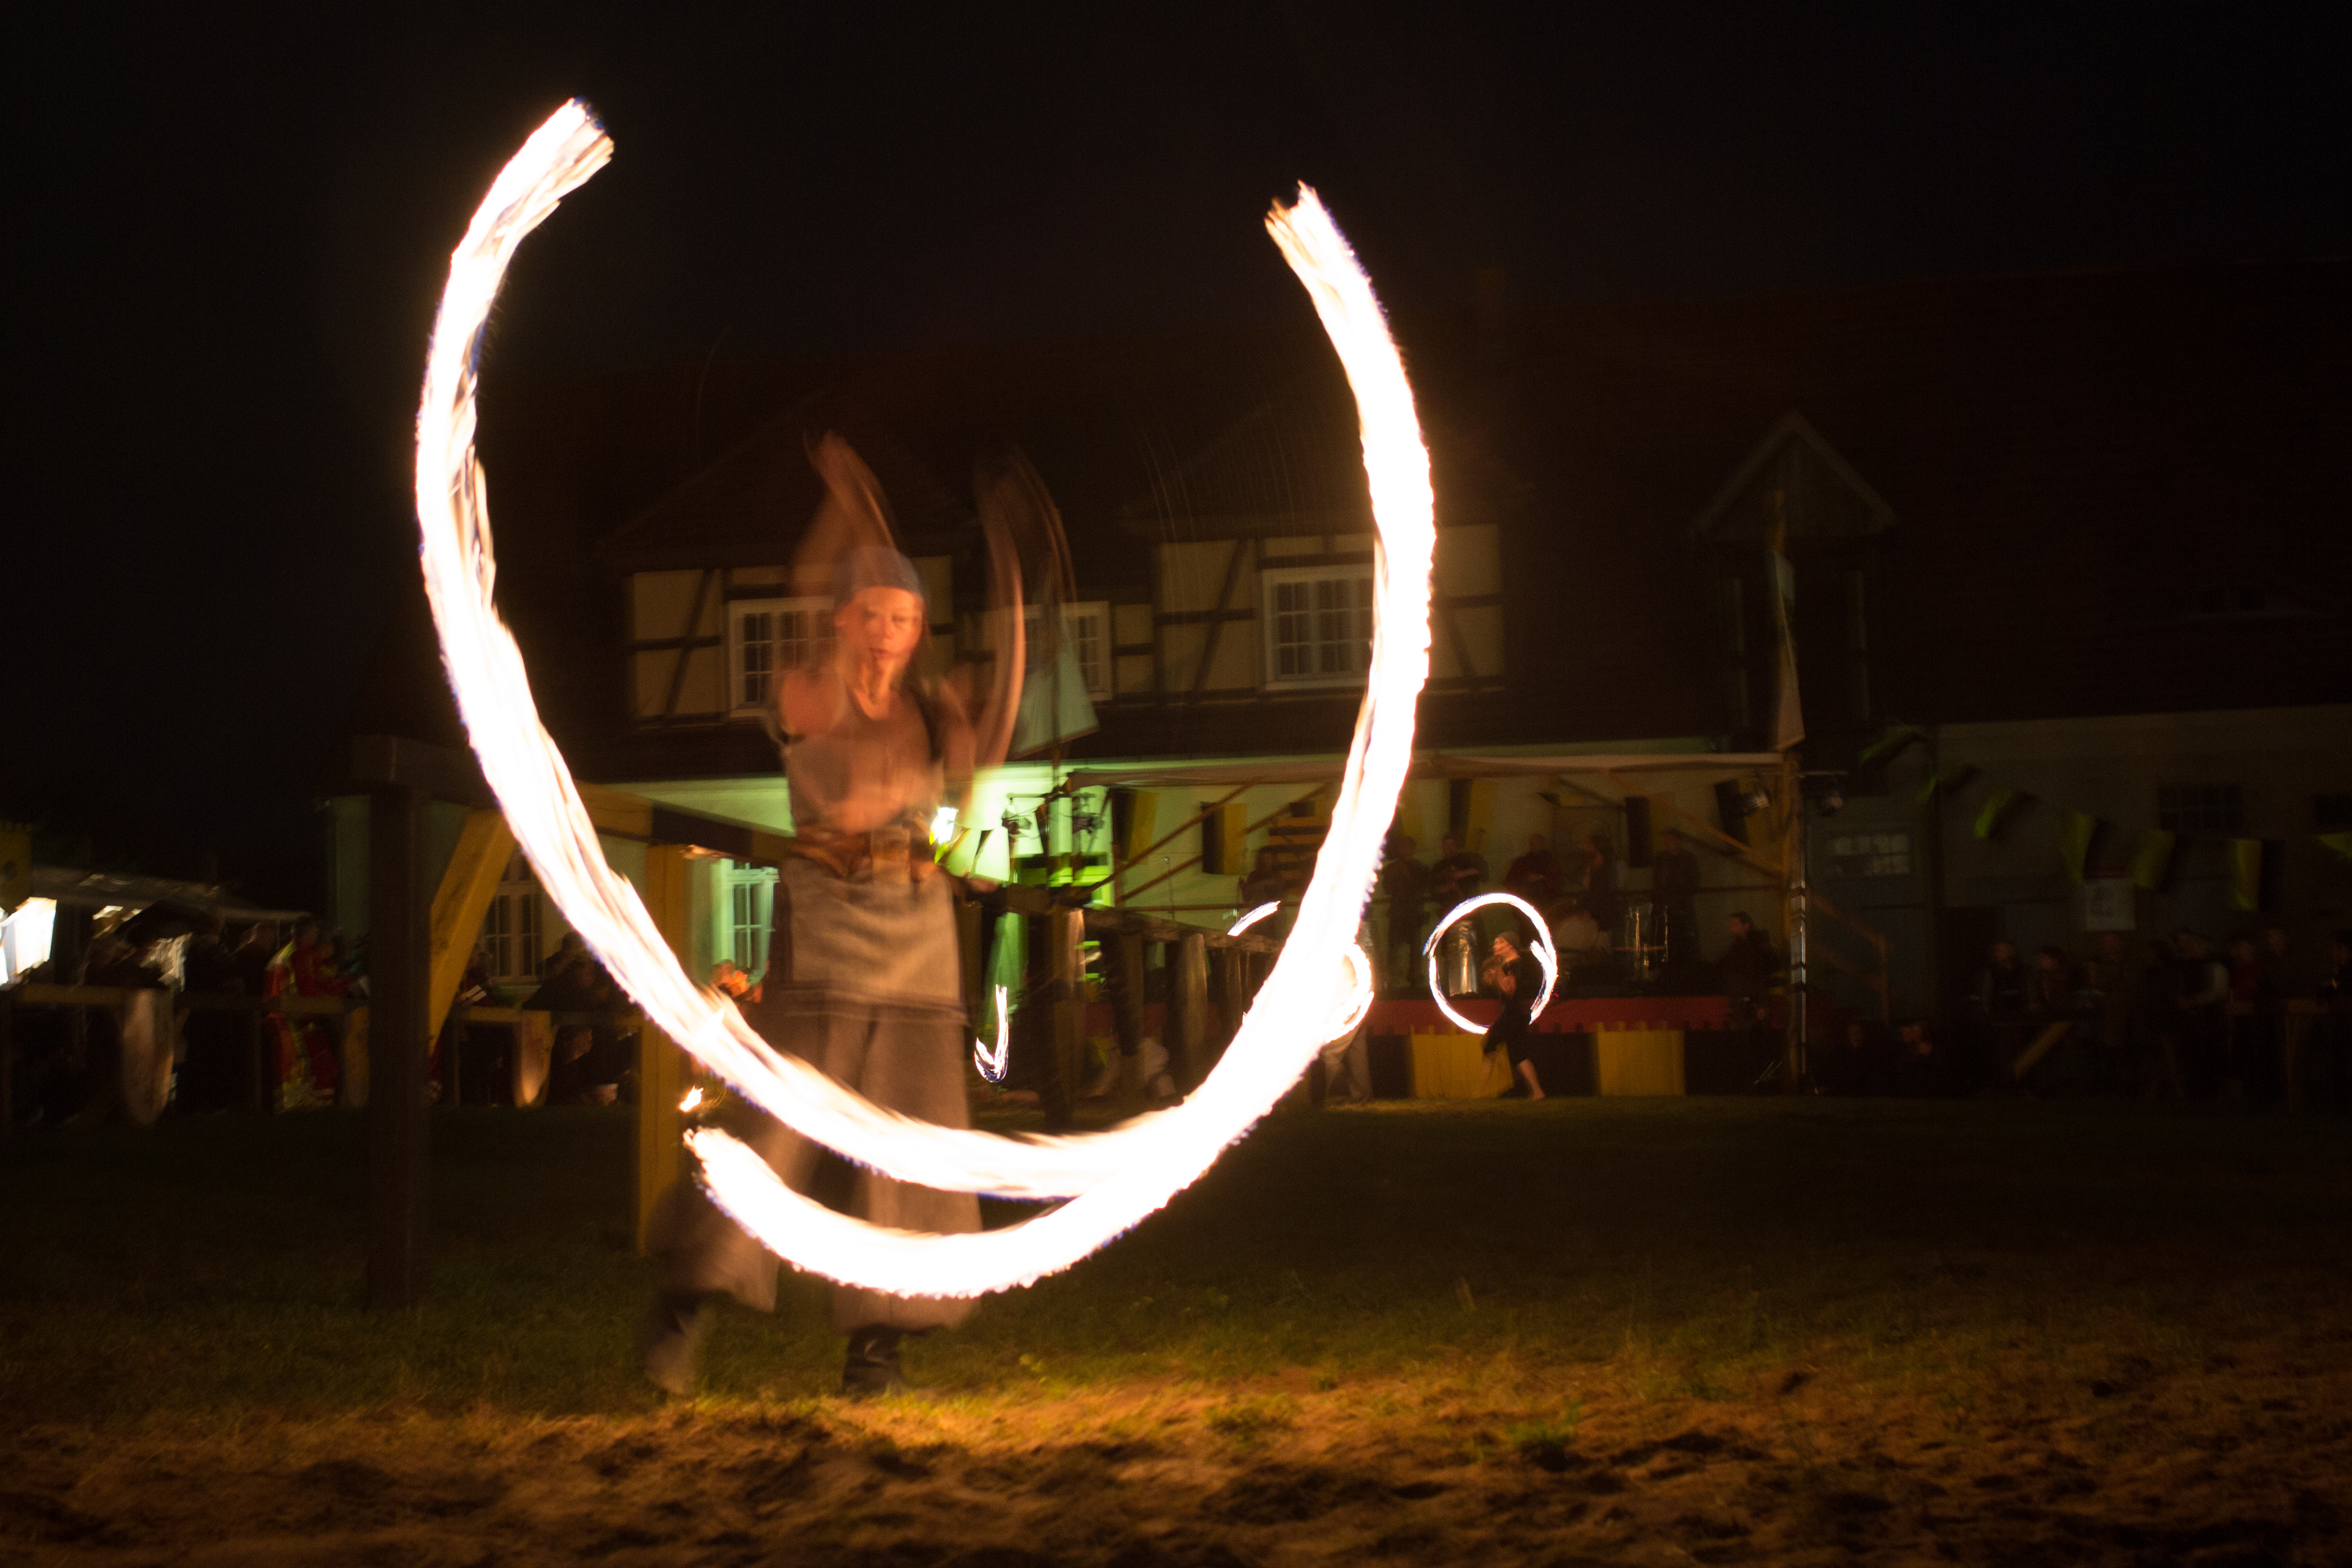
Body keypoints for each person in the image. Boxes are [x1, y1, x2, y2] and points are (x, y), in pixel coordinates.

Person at [643, 541, 982, 1400]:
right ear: (841, 620)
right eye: (871, 614)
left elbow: (954, 792)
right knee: (777, 1127)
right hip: (828, 926)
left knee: (909, 1142)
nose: (887, 632)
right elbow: (846, 784)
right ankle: (684, 1303)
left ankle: (877, 1356)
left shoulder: (930, 711)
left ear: (919, 630)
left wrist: (953, 771)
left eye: (903, 618)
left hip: (917, 936)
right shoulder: (810, 692)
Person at [1480, 932, 1546, 1098]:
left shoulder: (1514, 965)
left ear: (1510, 945)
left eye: (1499, 943)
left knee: (1489, 1045)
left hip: (1514, 1014)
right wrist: (1494, 978)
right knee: (1518, 1055)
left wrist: (1497, 974)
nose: (1495, 946)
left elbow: (1510, 991)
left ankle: (1480, 1092)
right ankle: (1537, 1092)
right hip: (1517, 1014)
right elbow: (1504, 990)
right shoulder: (1509, 964)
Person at [2173, 930, 2231, 1099]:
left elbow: (2218, 993)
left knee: (2209, 1057)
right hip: (2193, 1021)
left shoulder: (2215, 967)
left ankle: (2211, 1093)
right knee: (2193, 1058)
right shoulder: (2188, 968)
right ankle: (2196, 1093)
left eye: (2196, 946)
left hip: (2210, 1020)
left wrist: (2193, 1002)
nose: (2192, 949)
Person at [1716, 911, 1780, 1060]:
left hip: (1753, 1004)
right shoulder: (1736, 950)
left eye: (1735, 924)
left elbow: (1760, 977)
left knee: (1754, 1042)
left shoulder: (1756, 950)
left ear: (1746, 926)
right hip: (1742, 1004)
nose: (1731, 928)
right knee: (1744, 1043)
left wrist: (1762, 1004)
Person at [1378, 835, 1429, 990]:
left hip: (1413, 912)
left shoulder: (1420, 868)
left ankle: (1414, 979)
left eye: (1407, 847)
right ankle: (1393, 979)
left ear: (1413, 850)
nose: (1404, 850)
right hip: (1397, 912)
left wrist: (1407, 875)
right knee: (1394, 948)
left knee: (1415, 949)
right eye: (1402, 847)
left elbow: (1423, 887)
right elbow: (1387, 888)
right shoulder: (1392, 868)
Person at [1649, 828, 1702, 978]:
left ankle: (1686, 971)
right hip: (1665, 908)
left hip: (1682, 908)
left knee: (1684, 940)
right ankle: (1667, 971)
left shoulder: (1687, 859)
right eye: (1665, 841)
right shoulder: (1661, 860)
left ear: (1677, 841)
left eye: (1670, 840)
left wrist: (1681, 895)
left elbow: (1694, 882)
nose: (1667, 844)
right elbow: (1657, 883)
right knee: (1666, 940)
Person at [1576, 831, 1619, 933]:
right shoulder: (1595, 867)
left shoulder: (1606, 870)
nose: (1587, 848)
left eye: (1590, 845)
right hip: (1598, 916)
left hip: (1602, 916)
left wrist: (1590, 911)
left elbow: (1601, 893)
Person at [1503, 834, 1564, 906]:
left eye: (1537, 843)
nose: (1534, 846)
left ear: (1542, 844)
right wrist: (1525, 878)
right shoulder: (1523, 861)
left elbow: (1556, 879)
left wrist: (1540, 877)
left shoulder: (1550, 861)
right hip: (1526, 900)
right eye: (1532, 844)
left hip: (1545, 899)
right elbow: (1511, 879)